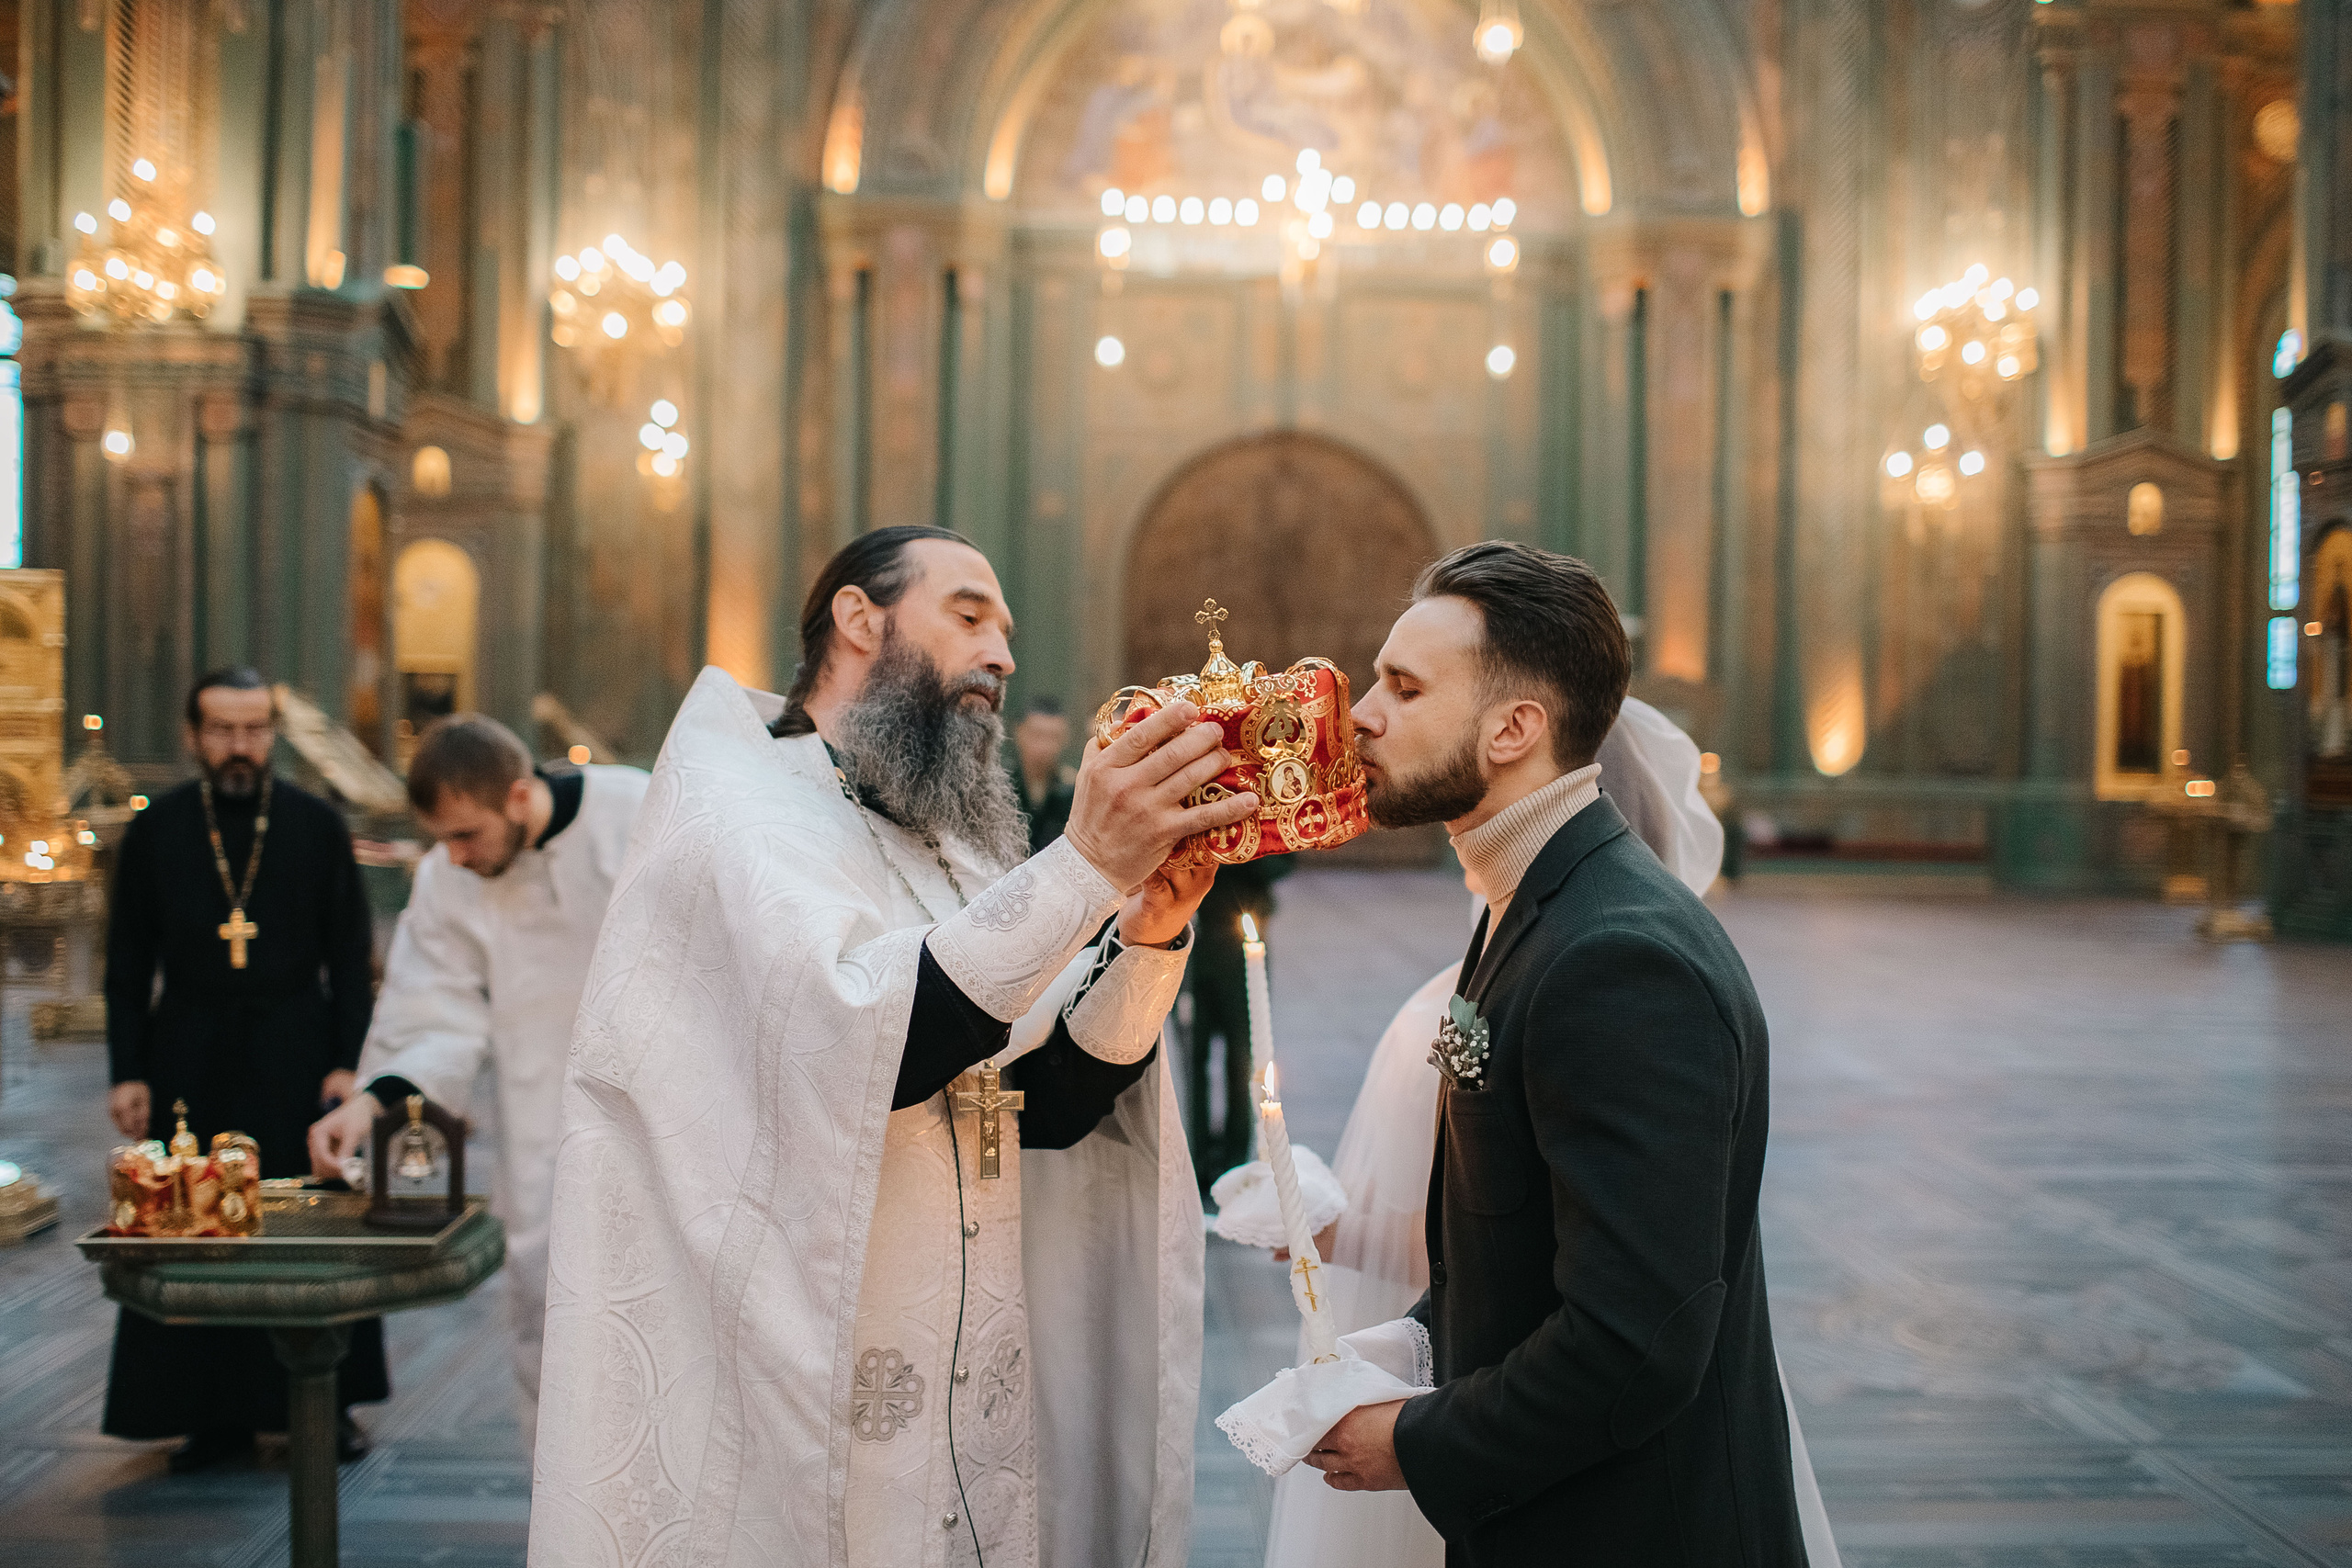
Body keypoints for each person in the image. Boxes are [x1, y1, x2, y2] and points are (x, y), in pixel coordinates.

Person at [530, 525, 1260, 1568]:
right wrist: (1083, 861)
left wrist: (1145, 932)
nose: (1003, 655)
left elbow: (1044, 1107)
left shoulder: (945, 845)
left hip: (978, 1390)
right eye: (968, 615)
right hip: (815, 1381)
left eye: (1005, 630)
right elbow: (872, 1044)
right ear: (858, 618)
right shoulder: (739, 817)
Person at [1301, 542, 1809, 1563]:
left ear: (1514, 728)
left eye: (1402, 688)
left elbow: (1636, 1341)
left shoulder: (1618, 958)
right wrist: (1402, 1345)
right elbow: (1526, 1244)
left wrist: (1414, 1440)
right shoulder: (1530, 903)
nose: (1359, 713)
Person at [305, 714, 650, 1453]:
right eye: (441, 838)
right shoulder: (447, 878)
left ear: (519, 797)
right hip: (543, 1129)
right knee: (548, 1312)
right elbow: (434, 1008)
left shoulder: (637, 811)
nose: (453, 857)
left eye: (467, 835)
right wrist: (370, 1103)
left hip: (667, 1117)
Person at [100, 668, 386, 1471]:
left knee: (310, 1229)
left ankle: (326, 1407)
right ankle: (207, 1414)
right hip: (187, 1053)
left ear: (273, 733)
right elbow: (126, 964)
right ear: (193, 734)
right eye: (223, 729)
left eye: (255, 728)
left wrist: (348, 1068)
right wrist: (128, 1070)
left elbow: (349, 959)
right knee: (195, 1225)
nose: (240, 746)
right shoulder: (157, 832)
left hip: (299, 1052)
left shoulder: (315, 825)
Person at [1182, 851, 1290, 1189]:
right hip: (1192, 944)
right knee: (1192, 1059)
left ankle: (1234, 1160)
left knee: (1242, 1057)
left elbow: (1282, 862)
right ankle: (1197, 1158)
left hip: (1243, 945)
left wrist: (1236, 848)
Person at [1011, 693, 1077, 851]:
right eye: (1037, 735)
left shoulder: (1072, 790)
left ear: (1065, 739)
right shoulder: (999, 786)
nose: (1044, 747)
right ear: (1019, 732)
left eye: (1053, 737)